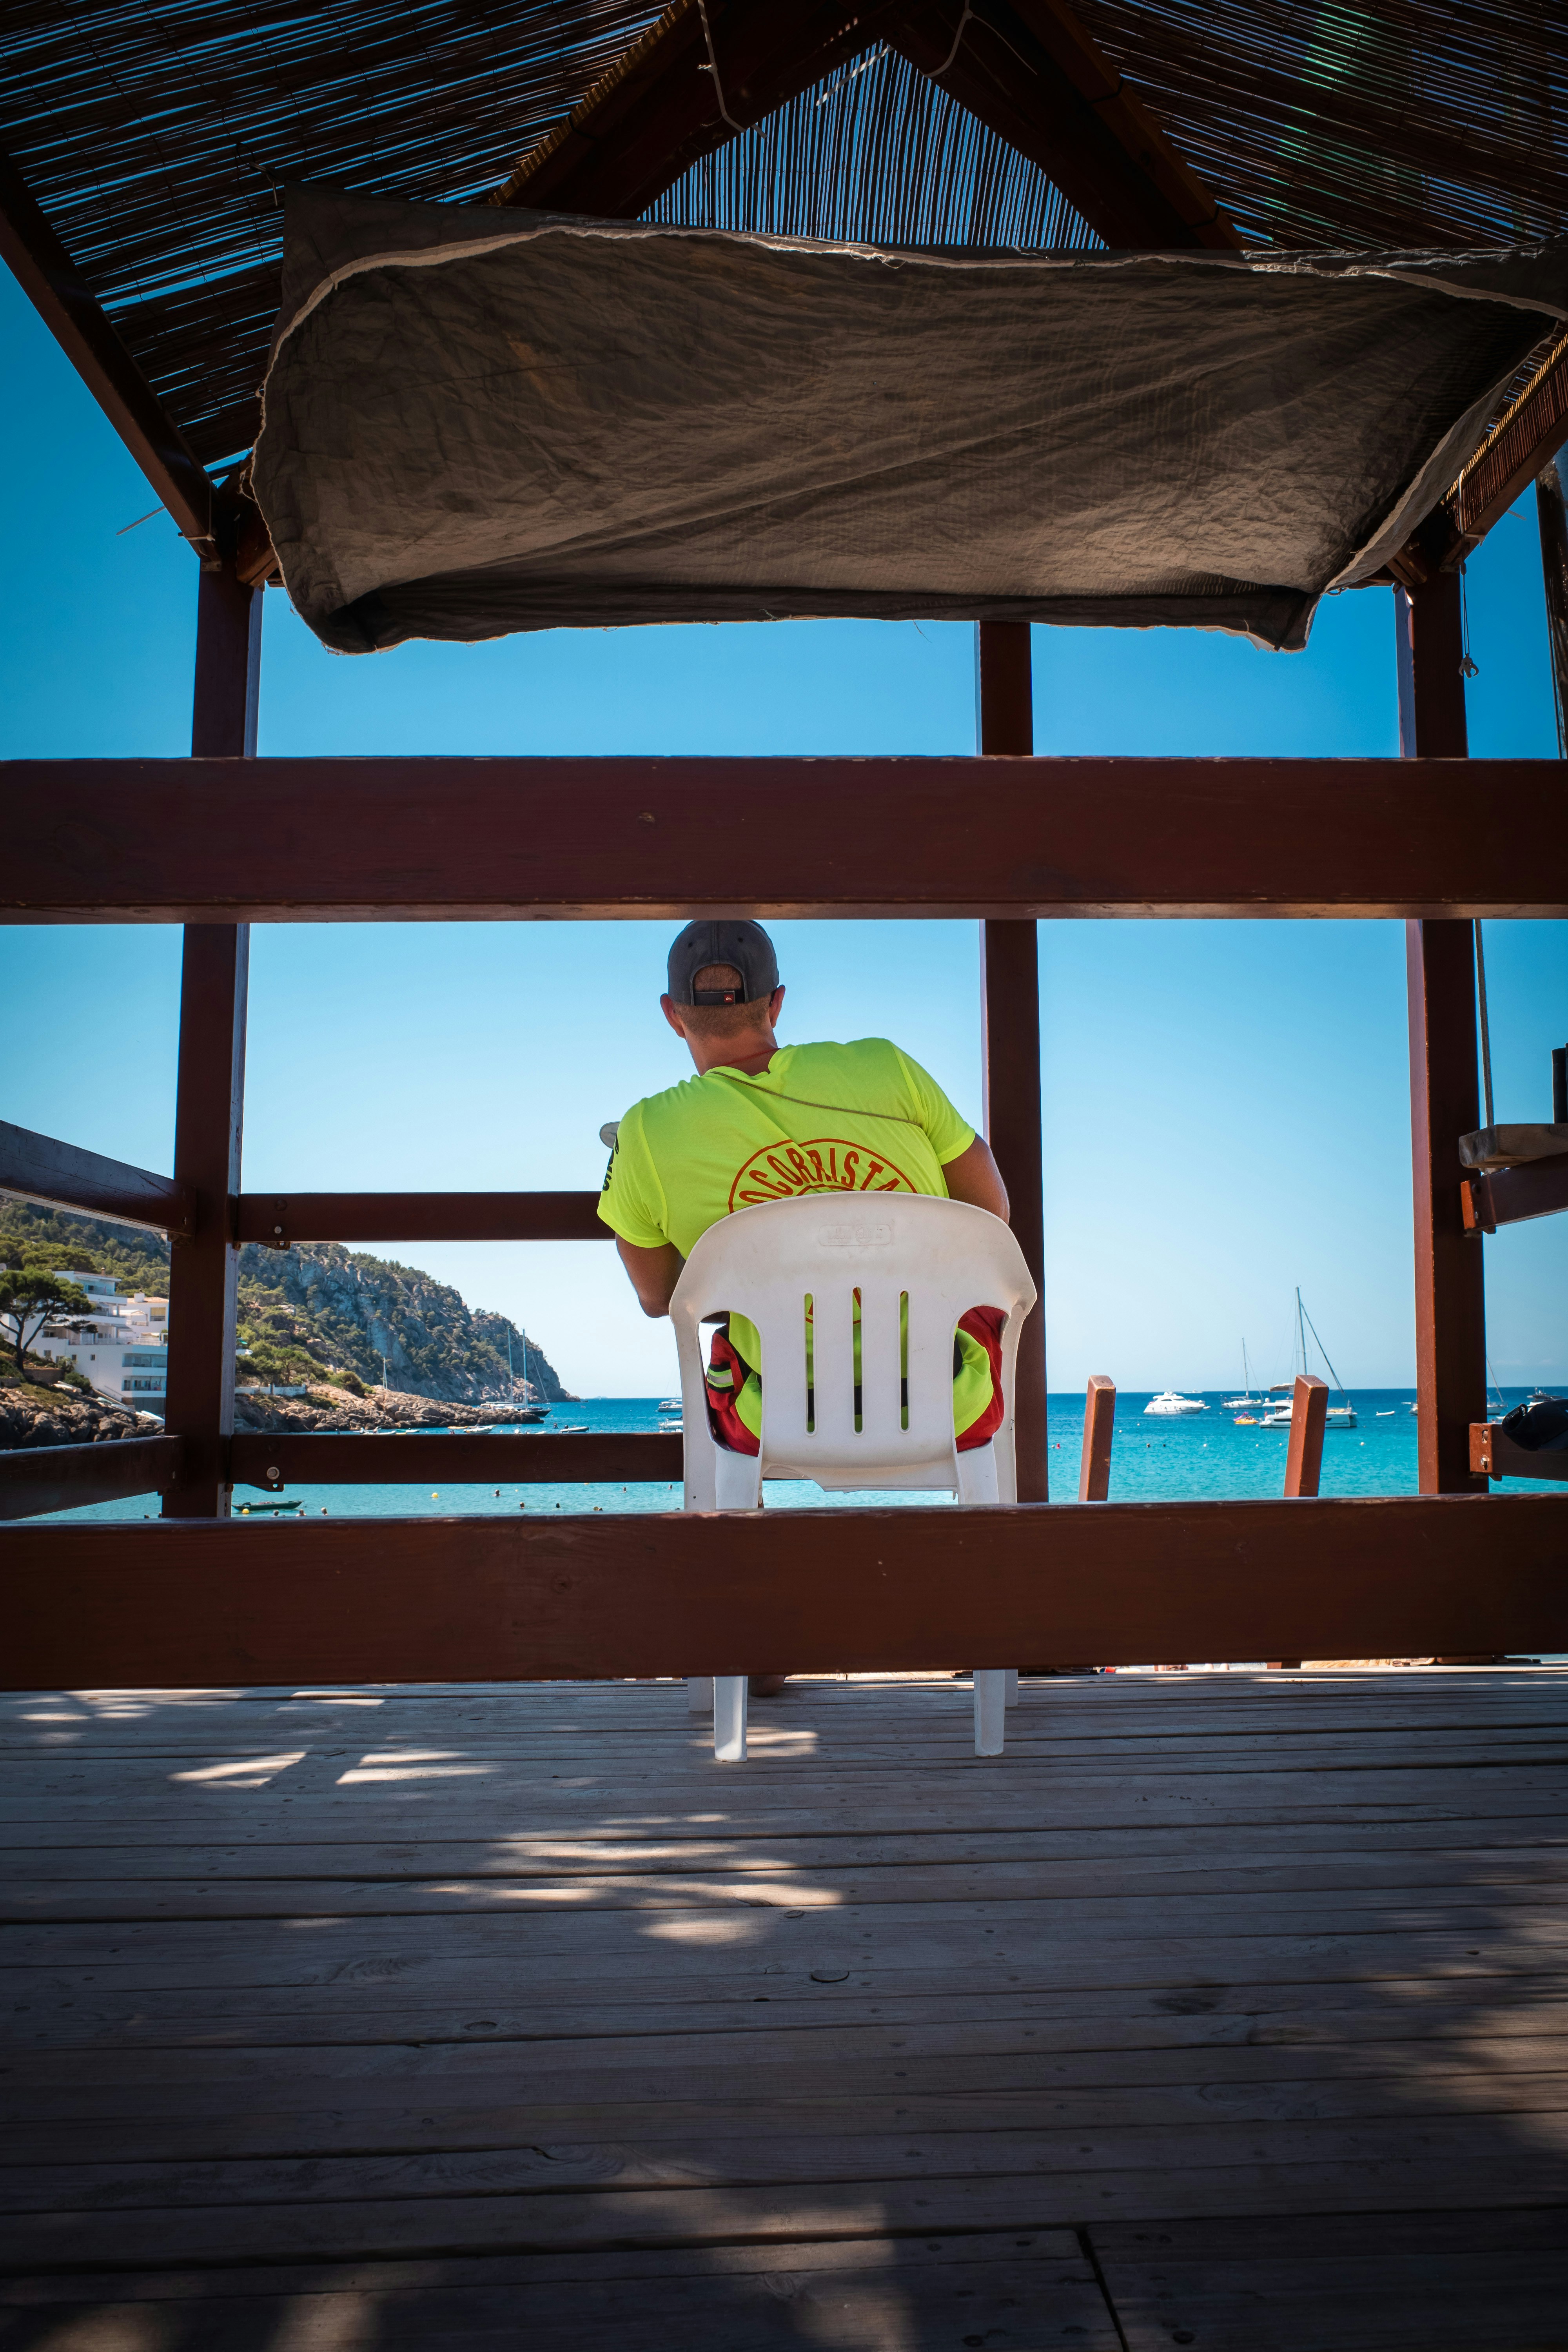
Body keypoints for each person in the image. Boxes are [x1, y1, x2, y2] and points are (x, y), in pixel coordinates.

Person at [599, 923, 1013, 1695]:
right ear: (777, 1002)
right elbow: (991, 1216)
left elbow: (657, 1298)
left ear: (671, 1014)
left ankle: (753, 1639)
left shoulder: (649, 1133)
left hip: (775, 1411)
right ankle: (979, 1629)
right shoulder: (886, 1069)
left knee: (725, 1358)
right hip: (946, 1401)